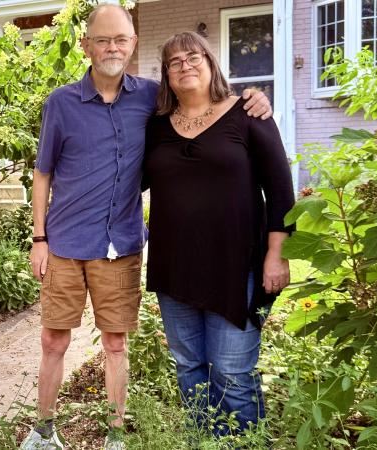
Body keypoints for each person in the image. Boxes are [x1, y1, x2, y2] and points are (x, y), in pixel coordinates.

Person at [22, 6, 272, 450]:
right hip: (63, 241)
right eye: (103, 39)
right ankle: (44, 431)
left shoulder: (154, 99)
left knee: (116, 344)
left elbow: (207, 106)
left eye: (121, 39)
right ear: (87, 46)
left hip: (120, 243)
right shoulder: (61, 102)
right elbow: (42, 173)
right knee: (53, 339)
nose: (112, 47)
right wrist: (38, 237)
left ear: (133, 44)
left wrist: (253, 98)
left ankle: (116, 436)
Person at [143, 31, 294, 436]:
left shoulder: (248, 114)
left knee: (231, 373)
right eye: (174, 62)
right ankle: (203, 442)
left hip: (236, 266)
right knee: (189, 367)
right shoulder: (156, 127)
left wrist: (275, 255)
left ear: (211, 63)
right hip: (174, 269)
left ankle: (243, 445)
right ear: (167, 77)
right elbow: (125, 176)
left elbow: (280, 192)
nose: (185, 66)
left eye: (194, 57)